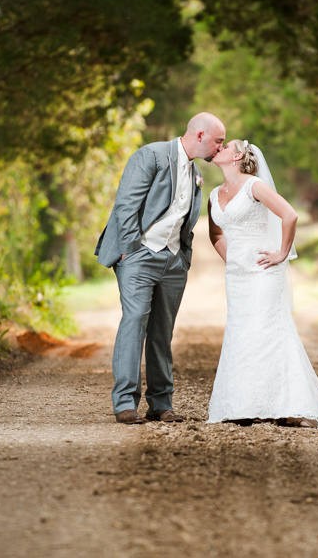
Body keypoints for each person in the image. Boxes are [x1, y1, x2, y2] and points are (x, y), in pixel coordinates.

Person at [206, 139, 318, 429]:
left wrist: (280, 253)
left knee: (267, 333)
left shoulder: (254, 186)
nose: (220, 149)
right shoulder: (215, 194)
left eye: (226, 146)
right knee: (241, 335)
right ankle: (243, 406)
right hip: (237, 276)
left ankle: (290, 407)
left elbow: (290, 215)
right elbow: (216, 235)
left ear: (238, 155)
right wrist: (232, 259)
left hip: (265, 273)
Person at [95, 113, 226, 425]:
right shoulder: (150, 155)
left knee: (162, 331)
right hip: (138, 256)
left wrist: (184, 257)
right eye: (217, 141)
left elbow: (185, 218)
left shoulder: (195, 172)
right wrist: (129, 251)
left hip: (172, 261)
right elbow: (126, 206)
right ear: (199, 135)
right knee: (135, 321)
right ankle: (125, 404)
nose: (219, 148)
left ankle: (160, 404)